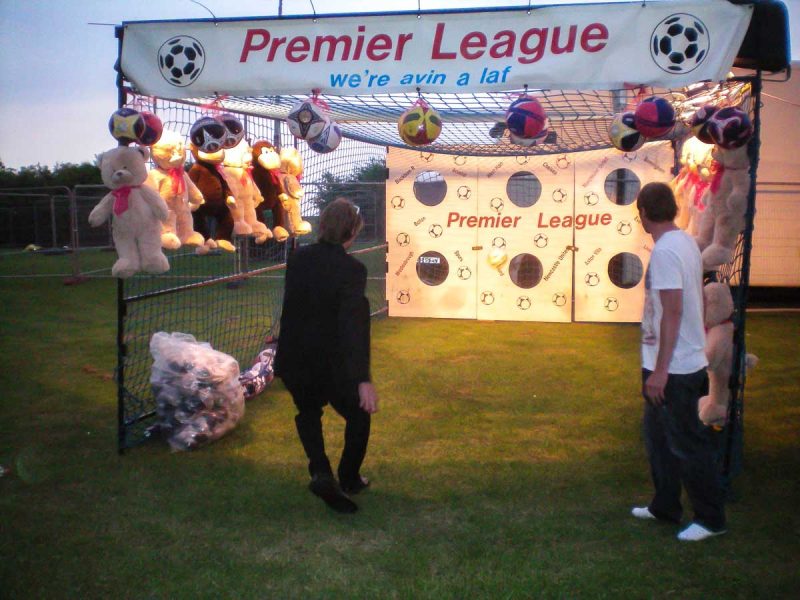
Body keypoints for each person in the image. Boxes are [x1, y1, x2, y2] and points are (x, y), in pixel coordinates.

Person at [631, 182, 727, 542]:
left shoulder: (668, 252)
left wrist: (659, 371)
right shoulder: (684, 241)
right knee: (658, 439)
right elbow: (693, 301)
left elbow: (672, 311)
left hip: (673, 369)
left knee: (687, 443)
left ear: (643, 214)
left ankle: (711, 518)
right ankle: (665, 505)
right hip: (675, 361)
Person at [274, 197, 379, 514]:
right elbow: (353, 326)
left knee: (308, 412)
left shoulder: (299, 258)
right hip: (329, 363)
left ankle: (321, 472)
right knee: (359, 415)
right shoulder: (353, 269)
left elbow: (296, 305)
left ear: (322, 226)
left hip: (294, 358)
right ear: (352, 233)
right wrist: (363, 380)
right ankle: (348, 479)